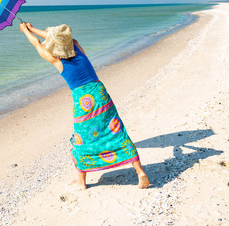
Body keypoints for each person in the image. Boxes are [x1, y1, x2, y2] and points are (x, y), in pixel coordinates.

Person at [19, 22, 149, 189]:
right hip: (99, 92)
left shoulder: (56, 60)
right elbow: (60, 38)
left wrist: (26, 31)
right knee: (116, 130)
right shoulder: (76, 46)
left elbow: (37, 43)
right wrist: (32, 28)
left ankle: (82, 182)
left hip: (83, 101)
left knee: (82, 138)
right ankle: (140, 172)